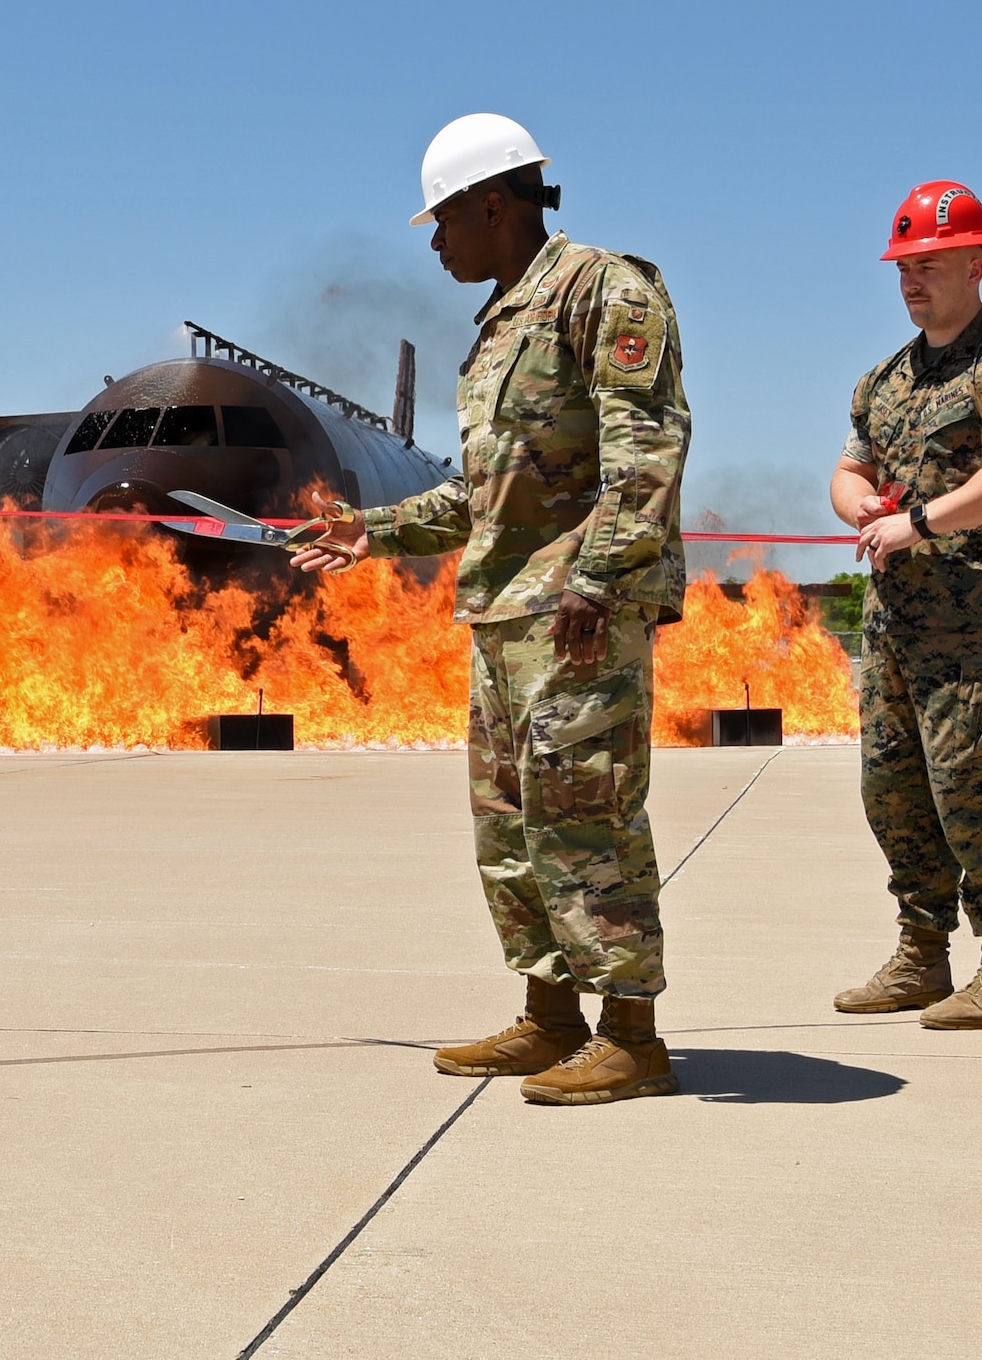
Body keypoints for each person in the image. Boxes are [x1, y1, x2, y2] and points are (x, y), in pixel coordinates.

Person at [293, 113, 690, 1105]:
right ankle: (550, 1014)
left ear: (492, 204)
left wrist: (596, 581)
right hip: (505, 614)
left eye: (443, 222)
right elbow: (486, 492)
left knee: (585, 818)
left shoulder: (602, 289)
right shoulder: (503, 323)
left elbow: (644, 449)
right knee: (511, 827)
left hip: (576, 610)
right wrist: (369, 530)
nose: (434, 243)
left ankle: (630, 1033)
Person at [829, 182, 982, 1029]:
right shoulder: (885, 380)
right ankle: (921, 953)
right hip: (894, 624)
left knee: (965, 781)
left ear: (977, 261)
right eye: (903, 267)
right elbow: (848, 469)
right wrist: (861, 506)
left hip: (976, 619)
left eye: (928, 264)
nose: (911, 280)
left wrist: (920, 522)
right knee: (890, 788)